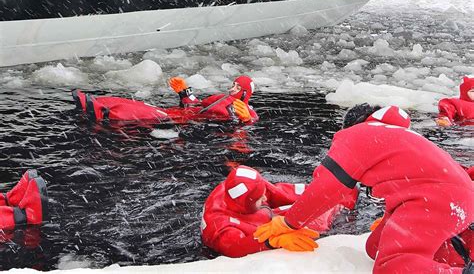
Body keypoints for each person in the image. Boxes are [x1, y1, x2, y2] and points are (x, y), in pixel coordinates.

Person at [254, 104, 474, 273]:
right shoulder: (401, 135)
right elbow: (413, 182)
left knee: (391, 267)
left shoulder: (357, 134)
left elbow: (329, 186)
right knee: (374, 247)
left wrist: (290, 222)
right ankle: (453, 261)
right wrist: (393, 220)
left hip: (434, 201)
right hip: (456, 200)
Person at [201, 165, 358, 258]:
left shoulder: (240, 189)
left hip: (260, 218)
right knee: (310, 223)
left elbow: (276, 193)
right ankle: (337, 204)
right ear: (247, 203)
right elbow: (234, 248)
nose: (264, 198)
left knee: (311, 204)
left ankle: (339, 197)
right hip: (253, 233)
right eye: (259, 198)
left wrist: (329, 191)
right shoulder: (221, 226)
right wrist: (272, 241)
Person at [72, 75, 258, 124]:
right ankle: (96, 101)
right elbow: (197, 104)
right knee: (139, 104)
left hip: (185, 120)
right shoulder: (221, 98)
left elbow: (241, 138)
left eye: (237, 87)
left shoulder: (246, 112)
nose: (232, 88)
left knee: (144, 111)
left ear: (245, 92)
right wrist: (184, 92)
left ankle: (102, 112)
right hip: (184, 112)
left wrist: (244, 121)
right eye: (233, 84)